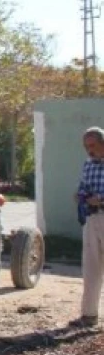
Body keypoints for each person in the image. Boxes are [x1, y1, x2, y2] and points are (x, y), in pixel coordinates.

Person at [73, 126, 104, 329]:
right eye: (86, 147)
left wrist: (100, 199)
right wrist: (80, 195)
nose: (89, 150)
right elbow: (84, 185)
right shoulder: (88, 164)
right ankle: (89, 315)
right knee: (91, 268)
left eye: (92, 146)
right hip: (92, 219)